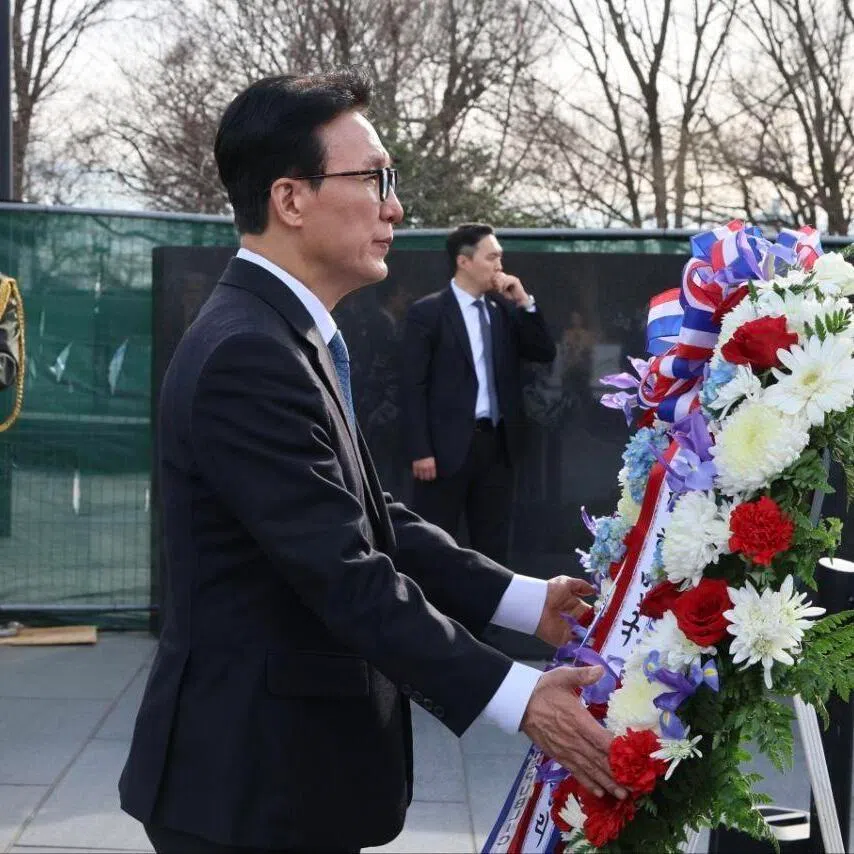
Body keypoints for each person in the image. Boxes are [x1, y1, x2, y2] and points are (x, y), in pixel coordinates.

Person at [118, 71, 625, 854]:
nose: (394, 206)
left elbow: (368, 516)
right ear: (290, 199)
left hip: (284, 781)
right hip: (247, 790)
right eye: (374, 179)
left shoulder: (284, 332)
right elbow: (346, 572)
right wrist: (521, 696)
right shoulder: (248, 352)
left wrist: (529, 601)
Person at [402, 223, 556, 565]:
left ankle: (488, 618)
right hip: (444, 451)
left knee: (493, 543)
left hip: (496, 446)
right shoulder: (428, 313)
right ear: (464, 262)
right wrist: (421, 450)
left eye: (500, 257)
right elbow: (413, 385)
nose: (499, 265)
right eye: (492, 257)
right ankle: (430, 613)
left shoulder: (502, 310)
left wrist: (524, 301)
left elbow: (543, 351)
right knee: (434, 542)